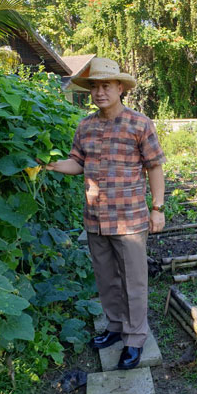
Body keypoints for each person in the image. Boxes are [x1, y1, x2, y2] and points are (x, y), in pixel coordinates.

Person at [45, 58, 166, 370]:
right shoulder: (85, 125)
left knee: (134, 282)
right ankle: (114, 327)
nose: (99, 92)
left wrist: (158, 208)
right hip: (96, 218)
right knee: (106, 279)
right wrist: (57, 166)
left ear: (120, 88)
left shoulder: (140, 123)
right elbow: (78, 163)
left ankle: (135, 337)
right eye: (94, 87)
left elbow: (154, 166)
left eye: (106, 86)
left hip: (130, 219)